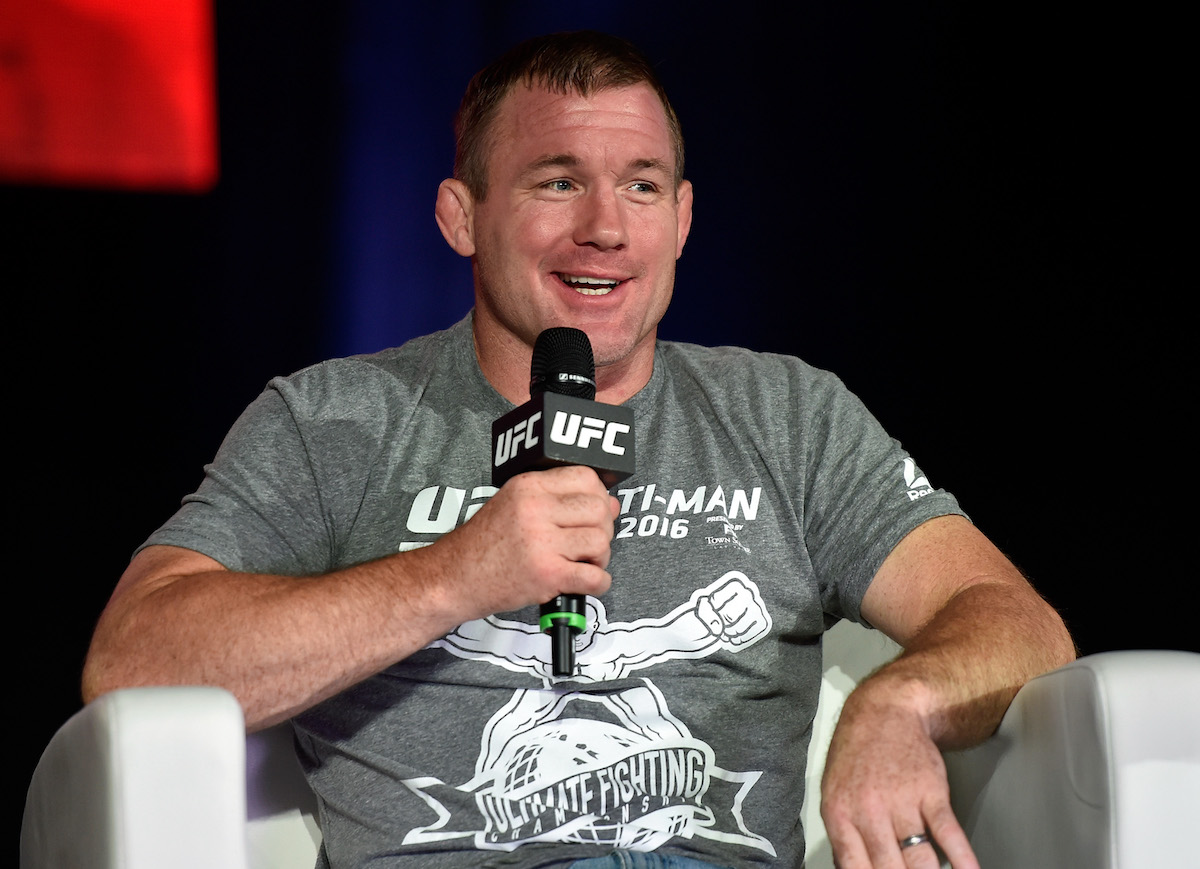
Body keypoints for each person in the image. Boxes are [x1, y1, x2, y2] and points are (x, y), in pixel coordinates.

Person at [82, 31, 1075, 869]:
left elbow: (1015, 622)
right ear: (461, 216)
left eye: (641, 187)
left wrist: (901, 703)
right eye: (557, 182)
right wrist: (456, 574)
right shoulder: (336, 418)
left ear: (683, 219)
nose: (604, 227)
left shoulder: (789, 414)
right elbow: (135, 661)